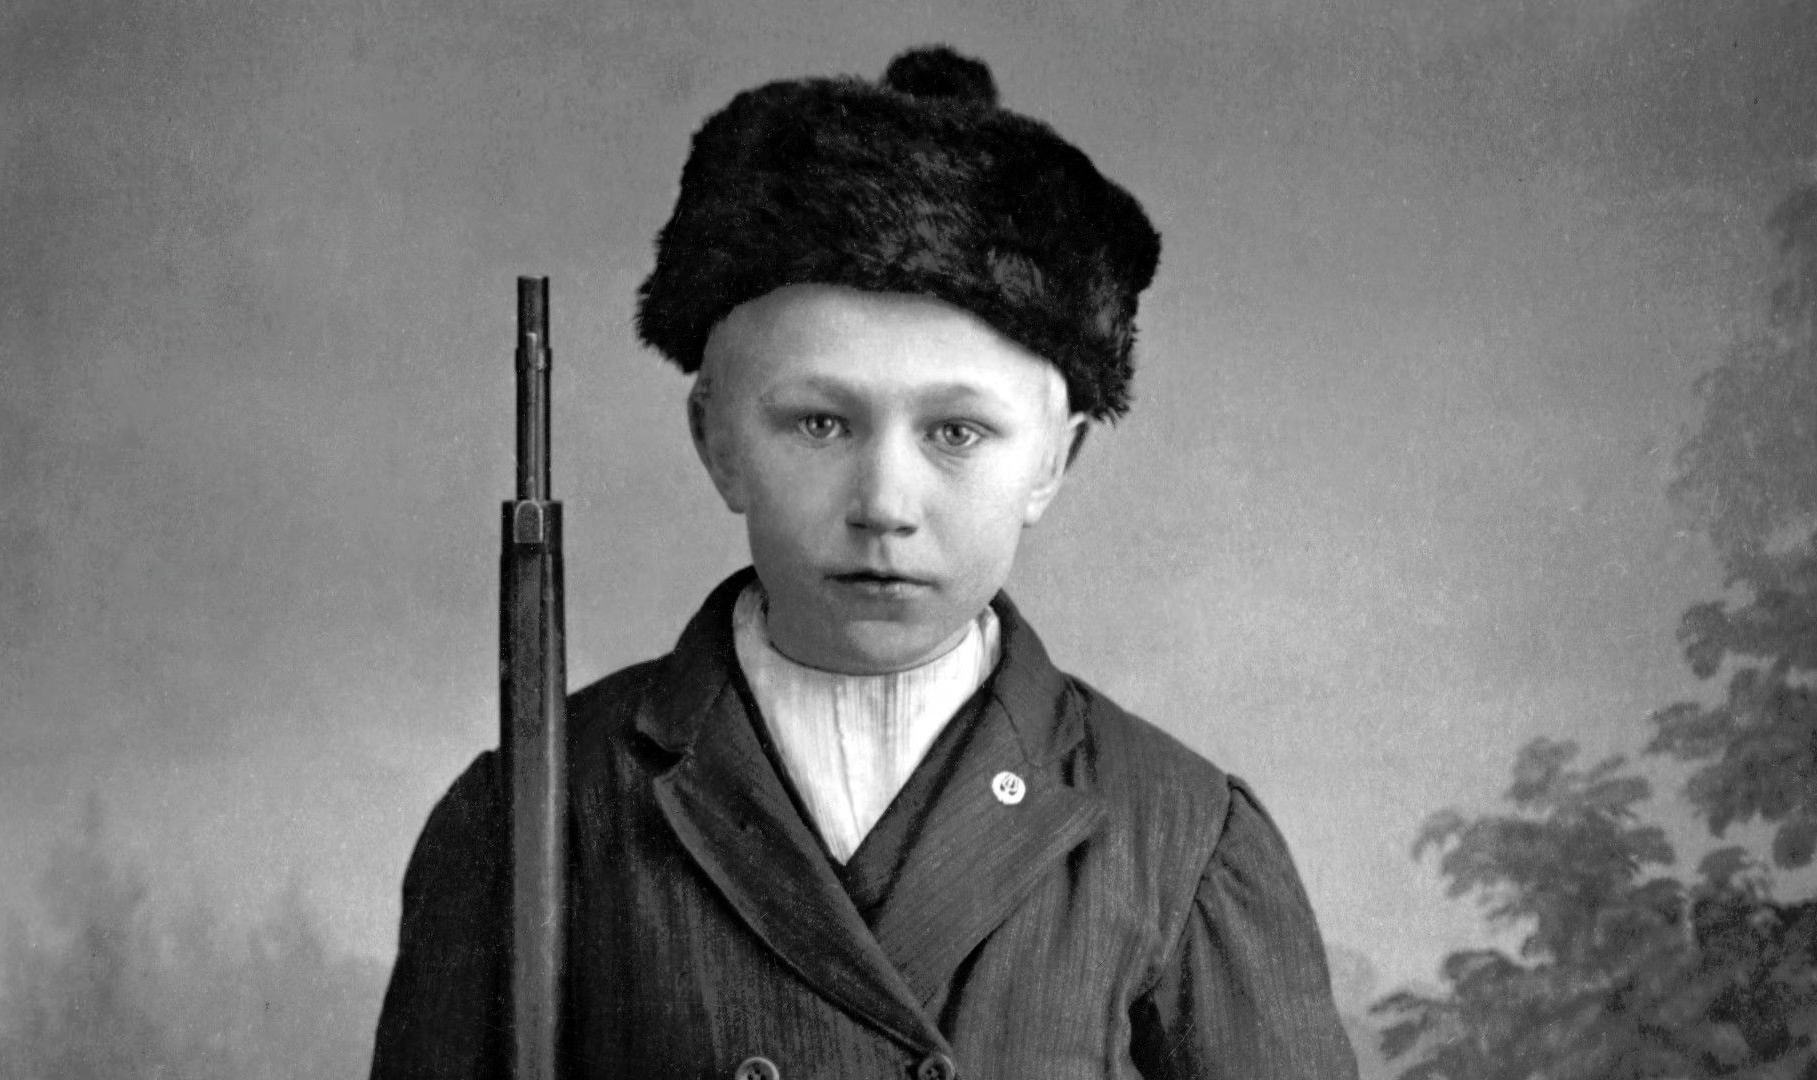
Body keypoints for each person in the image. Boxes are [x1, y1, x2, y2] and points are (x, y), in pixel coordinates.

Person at [371, 45, 1359, 1080]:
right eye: (819, 423)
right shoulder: (530, 814)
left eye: (957, 433)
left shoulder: (1183, 841)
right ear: (716, 441)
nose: (885, 504)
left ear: (1054, 461)